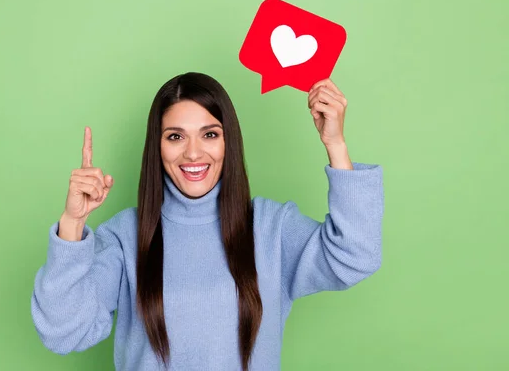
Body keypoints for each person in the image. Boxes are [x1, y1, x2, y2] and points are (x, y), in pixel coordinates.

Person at [30, 72, 384, 371]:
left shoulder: (270, 228)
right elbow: (63, 332)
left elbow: (355, 256)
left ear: (229, 143)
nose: (194, 152)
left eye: (210, 134)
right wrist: (72, 224)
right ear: (157, 146)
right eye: (175, 137)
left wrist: (335, 143)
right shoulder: (125, 237)